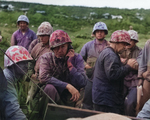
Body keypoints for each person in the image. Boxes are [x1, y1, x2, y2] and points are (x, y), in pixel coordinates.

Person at [92, 30, 137, 114]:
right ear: (117, 42)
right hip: (106, 101)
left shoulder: (109, 53)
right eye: (124, 44)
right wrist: (128, 66)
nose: (125, 47)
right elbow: (113, 75)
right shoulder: (110, 55)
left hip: (104, 99)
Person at [39, 30, 87, 106]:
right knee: (49, 88)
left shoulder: (77, 58)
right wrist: (67, 86)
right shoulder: (46, 58)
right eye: (57, 47)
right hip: (55, 94)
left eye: (63, 47)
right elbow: (43, 77)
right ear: (52, 48)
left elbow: (82, 82)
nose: (60, 50)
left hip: (72, 96)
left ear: (69, 47)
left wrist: (70, 65)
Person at [80, 22, 109, 110]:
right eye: (97, 31)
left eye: (102, 31)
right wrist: (86, 65)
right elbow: (79, 59)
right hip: (90, 77)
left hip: (104, 78)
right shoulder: (88, 45)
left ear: (105, 33)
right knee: (87, 99)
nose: (99, 33)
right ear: (94, 33)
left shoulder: (109, 46)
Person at [1, 46, 33, 120]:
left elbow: (22, 104)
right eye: (22, 63)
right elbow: (12, 110)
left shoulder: (18, 79)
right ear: (12, 64)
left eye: (27, 62)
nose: (26, 66)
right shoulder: (6, 79)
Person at [26, 21, 53, 104]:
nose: (41, 38)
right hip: (35, 79)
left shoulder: (54, 48)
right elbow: (30, 60)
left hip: (48, 80)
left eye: (44, 35)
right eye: (40, 35)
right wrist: (31, 73)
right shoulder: (37, 46)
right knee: (30, 100)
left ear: (49, 36)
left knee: (43, 102)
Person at [120, 30, 142, 116]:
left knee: (130, 103)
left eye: (131, 40)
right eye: (127, 39)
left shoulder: (140, 51)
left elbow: (139, 66)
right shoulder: (121, 49)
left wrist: (124, 62)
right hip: (121, 79)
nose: (128, 42)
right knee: (117, 101)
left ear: (135, 42)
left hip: (134, 81)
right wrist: (129, 63)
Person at [136, 39, 150, 114]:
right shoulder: (148, 43)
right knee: (143, 105)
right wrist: (140, 78)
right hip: (148, 80)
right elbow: (142, 63)